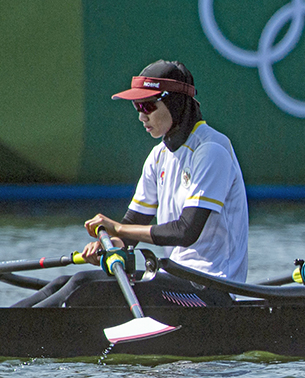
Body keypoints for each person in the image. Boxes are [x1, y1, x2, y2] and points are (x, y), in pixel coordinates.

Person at [14, 60, 248, 307]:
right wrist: (109, 245)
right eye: (137, 106)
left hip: (212, 292)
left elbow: (185, 232)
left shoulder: (211, 150)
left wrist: (117, 229)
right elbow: (131, 228)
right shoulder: (159, 156)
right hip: (178, 281)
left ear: (175, 103)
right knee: (63, 282)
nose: (141, 116)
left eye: (148, 105)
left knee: (83, 285)